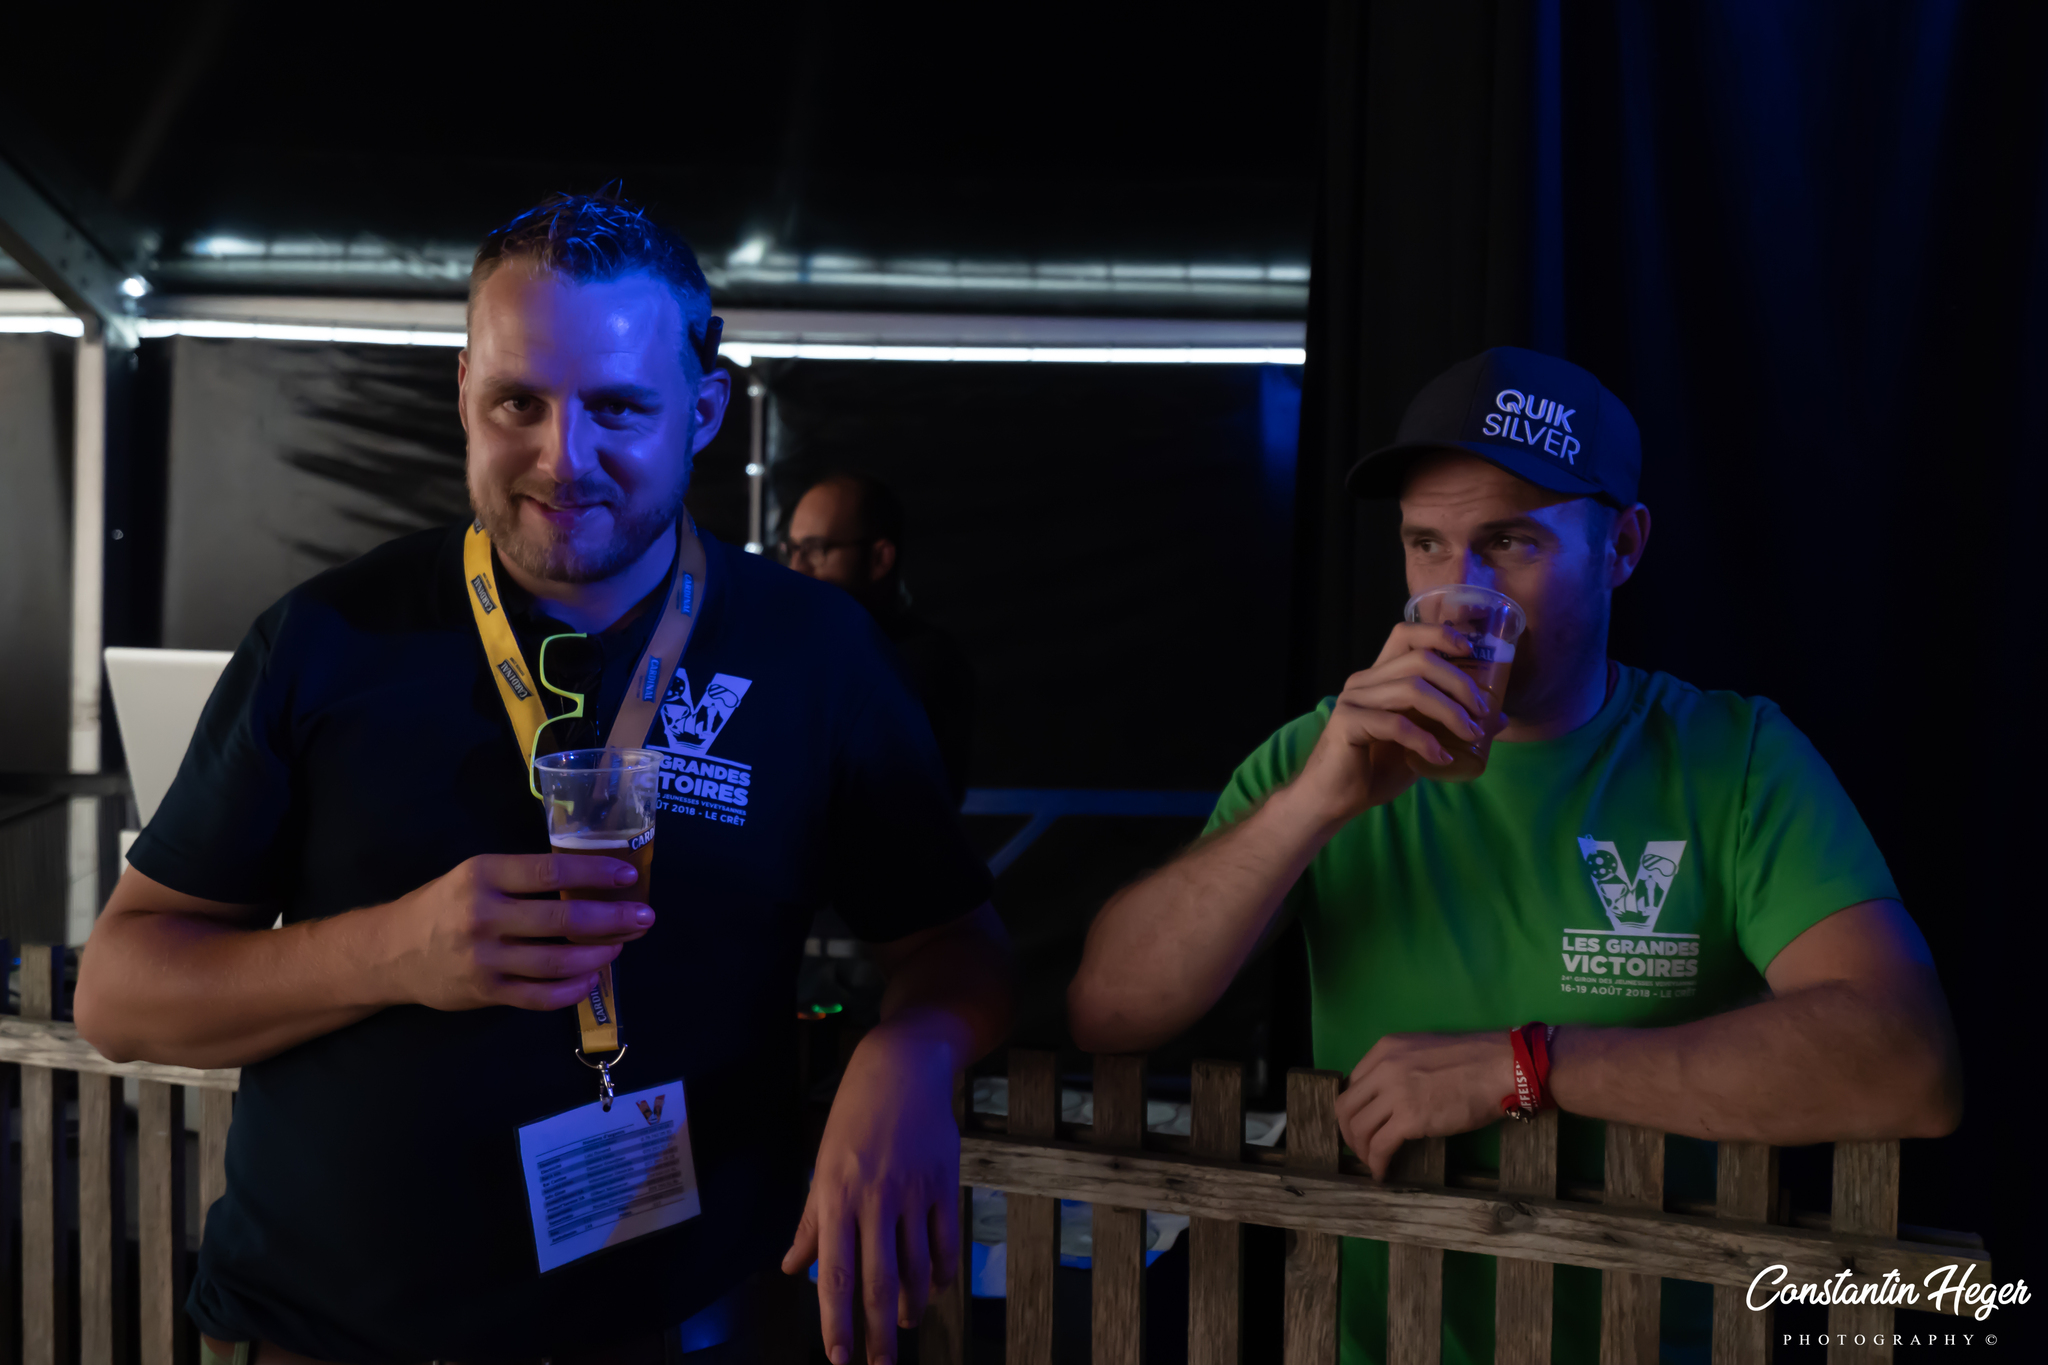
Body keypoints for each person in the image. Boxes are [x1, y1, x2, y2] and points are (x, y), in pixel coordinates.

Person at [75, 191, 1012, 1365]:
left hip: (680, 1330)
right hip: (327, 1335)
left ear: (703, 410)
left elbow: (957, 946)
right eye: (518, 402)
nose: (564, 461)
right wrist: (397, 951)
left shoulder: (815, 653)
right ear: (462, 388)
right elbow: (119, 994)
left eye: (618, 407)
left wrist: (911, 1050)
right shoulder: (325, 636)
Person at [1065, 347, 1961, 1365]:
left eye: (1510, 541)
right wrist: (1309, 807)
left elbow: (1908, 1063)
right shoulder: (1324, 753)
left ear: (1621, 546)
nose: (1462, 590)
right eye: (1426, 545)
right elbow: (1110, 1013)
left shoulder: (1733, 758)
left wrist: (1531, 1064)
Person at [778, 473, 974, 804]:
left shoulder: (922, 665)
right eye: (792, 550)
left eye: (815, 549)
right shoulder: (800, 648)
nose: (796, 568)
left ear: (879, 559)